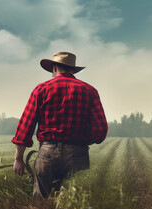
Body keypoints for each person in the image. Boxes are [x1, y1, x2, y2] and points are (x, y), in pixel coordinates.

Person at [11, 51, 108, 199]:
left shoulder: (41, 89)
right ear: (73, 69)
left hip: (47, 152)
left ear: (54, 68)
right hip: (77, 153)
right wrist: (83, 139)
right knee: (75, 202)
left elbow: (25, 126)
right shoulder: (89, 91)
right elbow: (100, 130)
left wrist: (18, 159)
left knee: (41, 201)